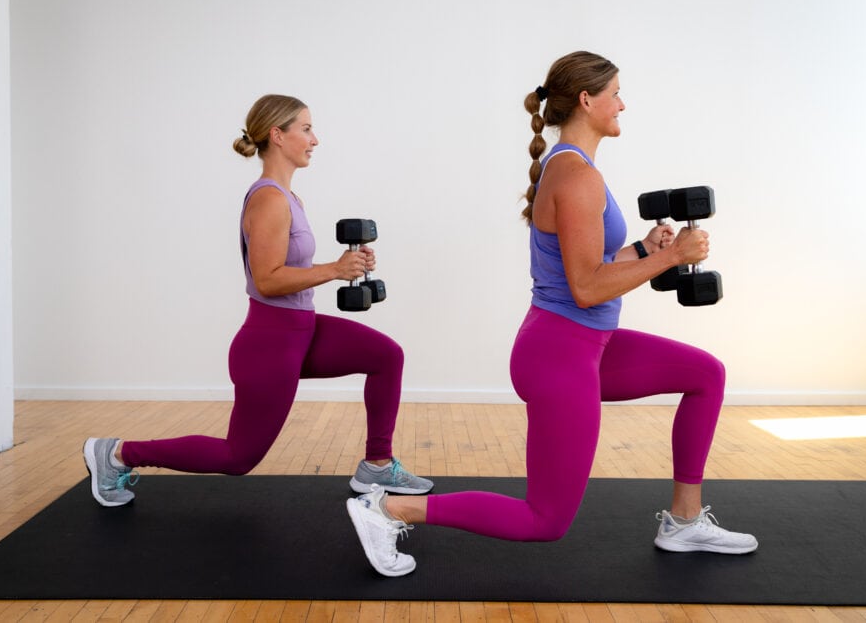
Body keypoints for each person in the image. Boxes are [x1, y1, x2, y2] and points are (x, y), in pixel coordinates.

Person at [346, 51, 756, 577]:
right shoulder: (575, 176)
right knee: (545, 519)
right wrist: (672, 257)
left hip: (586, 345)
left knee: (705, 374)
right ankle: (385, 508)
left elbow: (588, 267)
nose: (623, 104)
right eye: (615, 94)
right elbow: (586, 288)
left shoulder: (578, 169)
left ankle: (684, 520)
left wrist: (641, 251)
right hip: (561, 354)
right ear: (586, 100)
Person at [83, 94, 433, 507]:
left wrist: (350, 263)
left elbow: (290, 269)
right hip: (271, 343)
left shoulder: (290, 198)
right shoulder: (268, 199)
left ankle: (377, 463)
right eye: (306, 129)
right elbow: (267, 280)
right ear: (277, 135)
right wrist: (335, 270)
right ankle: (118, 453)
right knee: (238, 457)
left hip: (302, 331)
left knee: (385, 356)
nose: (315, 139)